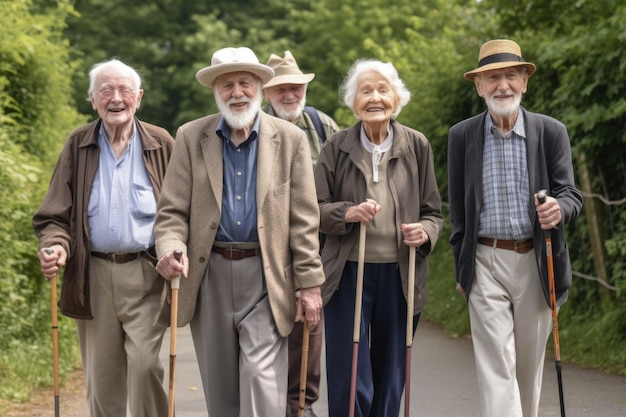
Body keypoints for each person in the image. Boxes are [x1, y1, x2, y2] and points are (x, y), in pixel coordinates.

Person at [153, 46, 325, 417]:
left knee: (262, 380)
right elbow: (171, 212)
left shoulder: (289, 140)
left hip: (267, 276)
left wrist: (309, 283)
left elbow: (305, 219)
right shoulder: (190, 137)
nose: (237, 92)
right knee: (222, 393)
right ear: (215, 90)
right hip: (210, 273)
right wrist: (169, 247)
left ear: (260, 87)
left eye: (245, 82)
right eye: (227, 84)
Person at [447, 39, 584, 417]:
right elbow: (458, 210)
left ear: (525, 80)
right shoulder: (461, 136)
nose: (501, 85)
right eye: (492, 77)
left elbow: (571, 194)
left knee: (527, 369)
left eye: (510, 75)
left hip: (538, 262)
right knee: (496, 367)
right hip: (484, 259)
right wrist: (462, 265)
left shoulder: (551, 131)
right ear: (479, 85)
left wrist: (559, 208)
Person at [32, 59, 174, 417]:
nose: (116, 98)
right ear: (93, 99)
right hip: (92, 275)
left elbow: (181, 210)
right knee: (103, 379)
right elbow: (53, 214)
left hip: (147, 274)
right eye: (105, 91)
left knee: (145, 367)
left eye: (124, 90)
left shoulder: (162, 143)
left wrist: (177, 247)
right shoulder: (78, 144)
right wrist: (55, 246)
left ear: (138, 97)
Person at [314, 58, 443, 417]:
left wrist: (425, 231)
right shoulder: (336, 147)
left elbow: (434, 212)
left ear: (396, 99)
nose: (374, 98)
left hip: (401, 274)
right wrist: (347, 213)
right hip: (347, 274)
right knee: (350, 373)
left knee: (391, 374)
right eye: (365, 90)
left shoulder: (417, 145)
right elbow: (313, 208)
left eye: (382, 90)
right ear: (353, 101)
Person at [262, 50, 340, 417]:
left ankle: (301, 405)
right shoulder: (256, 126)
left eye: (295, 87)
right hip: (268, 244)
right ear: (267, 94)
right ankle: (270, 400)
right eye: (281, 90)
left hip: (315, 242)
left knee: (310, 320)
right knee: (271, 324)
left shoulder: (322, 124)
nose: (290, 94)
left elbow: (343, 175)